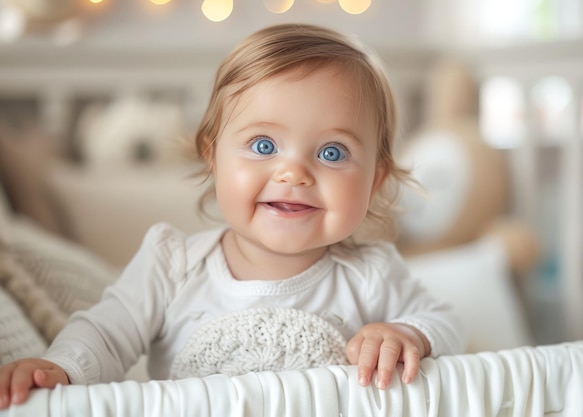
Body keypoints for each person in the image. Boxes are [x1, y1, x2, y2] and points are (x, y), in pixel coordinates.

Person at [0, 23, 464, 409]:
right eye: (264, 146)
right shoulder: (172, 265)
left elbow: (444, 324)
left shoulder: (371, 274)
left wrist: (407, 333)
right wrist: (59, 367)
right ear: (213, 158)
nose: (293, 172)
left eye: (331, 151)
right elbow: (105, 333)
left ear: (376, 180)